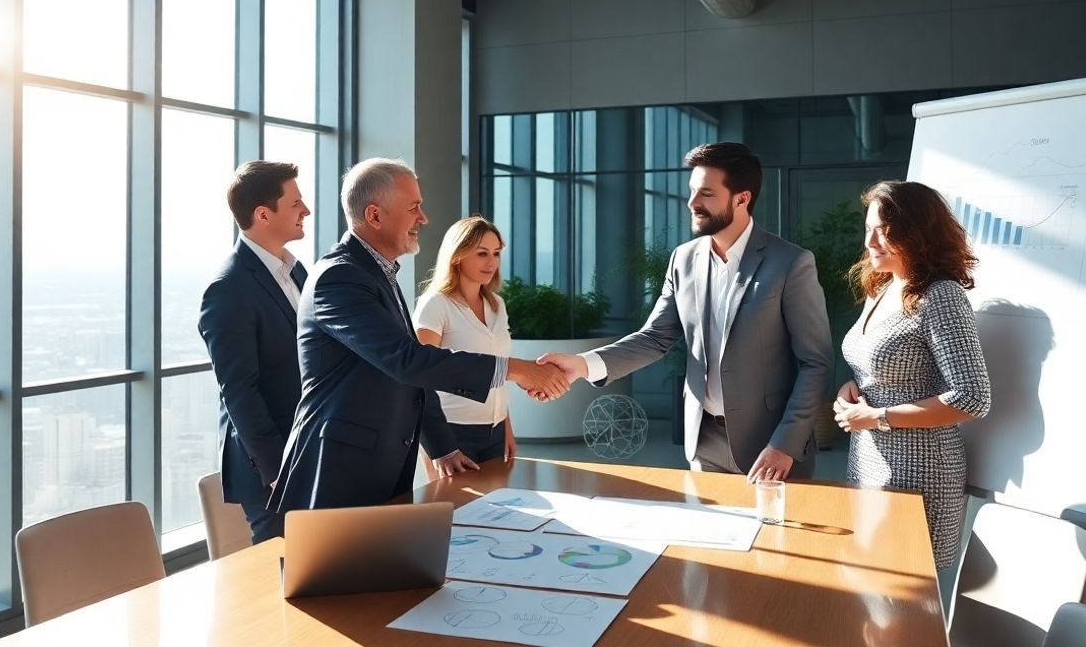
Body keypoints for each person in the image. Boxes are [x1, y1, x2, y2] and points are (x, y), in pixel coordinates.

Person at [269, 159, 567, 527]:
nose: (423, 218)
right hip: (340, 472)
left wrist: (441, 445)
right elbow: (407, 360)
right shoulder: (340, 277)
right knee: (343, 583)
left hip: (379, 463)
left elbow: (410, 377)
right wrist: (514, 370)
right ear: (375, 215)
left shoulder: (379, 273)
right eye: (414, 208)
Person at [539, 142, 832, 482]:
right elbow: (654, 338)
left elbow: (816, 362)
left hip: (771, 448)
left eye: (706, 193)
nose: (692, 203)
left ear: (742, 198)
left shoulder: (790, 263)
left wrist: (785, 444)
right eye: (692, 191)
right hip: (703, 442)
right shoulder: (683, 259)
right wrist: (581, 364)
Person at [832, 180, 991, 568]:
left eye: (884, 232)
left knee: (905, 603)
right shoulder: (882, 286)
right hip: (869, 459)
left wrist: (878, 417)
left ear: (917, 234)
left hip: (921, 472)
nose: (870, 242)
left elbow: (973, 397)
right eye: (868, 228)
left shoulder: (940, 296)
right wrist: (854, 388)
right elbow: (876, 364)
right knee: (871, 589)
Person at [198, 161, 310, 544]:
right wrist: (279, 468)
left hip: (311, 456)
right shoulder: (228, 289)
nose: (305, 211)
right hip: (274, 473)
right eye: (296, 203)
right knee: (287, 581)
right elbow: (239, 392)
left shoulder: (297, 273)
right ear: (264, 214)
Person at [414, 217, 515, 479]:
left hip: (495, 430)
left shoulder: (497, 305)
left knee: (494, 514)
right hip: (452, 432)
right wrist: (439, 446)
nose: (491, 262)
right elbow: (419, 376)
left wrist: (507, 427)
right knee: (455, 514)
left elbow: (497, 371)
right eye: (482, 253)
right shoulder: (435, 304)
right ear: (457, 255)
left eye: (496, 253)